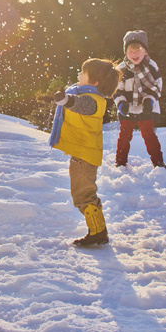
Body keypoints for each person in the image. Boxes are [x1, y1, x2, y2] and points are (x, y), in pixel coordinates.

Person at [50, 58, 122, 246]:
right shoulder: (86, 94)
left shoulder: (94, 101)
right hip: (82, 154)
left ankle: (98, 232)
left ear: (95, 82)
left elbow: (81, 105)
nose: (79, 75)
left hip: (84, 155)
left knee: (83, 195)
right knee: (84, 193)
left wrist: (67, 100)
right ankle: (99, 231)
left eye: (83, 72)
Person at [113, 30, 166, 168]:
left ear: (145, 51)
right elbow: (117, 89)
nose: (134, 54)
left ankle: (158, 162)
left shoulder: (151, 66)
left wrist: (149, 100)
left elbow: (157, 85)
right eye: (131, 51)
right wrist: (121, 103)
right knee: (124, 136)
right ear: (126, 52)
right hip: (127, 108)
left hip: (146, 106)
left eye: (138, 50)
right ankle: (120, 163)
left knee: (149, 135)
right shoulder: (122, 69)